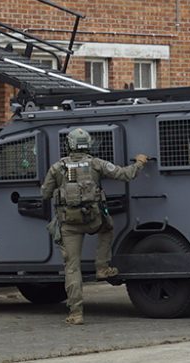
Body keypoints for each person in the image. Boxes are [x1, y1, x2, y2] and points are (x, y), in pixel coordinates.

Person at [40, 128, 147, 325]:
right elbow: (124, 174)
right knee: (107, 228)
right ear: (88, 144)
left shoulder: (57, 167)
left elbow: (45, 194)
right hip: (93, 219)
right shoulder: (96, 164)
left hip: (69, 224)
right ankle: (102, 267)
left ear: (69, 145)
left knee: (72, 268)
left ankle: (76, 313)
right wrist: (139, 163)